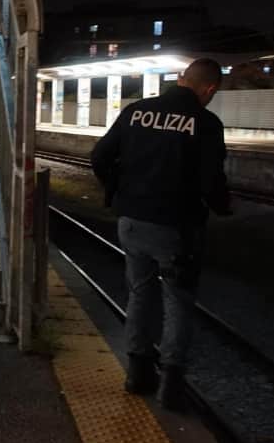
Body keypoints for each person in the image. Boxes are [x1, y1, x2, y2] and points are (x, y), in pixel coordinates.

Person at [90, 58, 233, 411]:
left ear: (181, 79)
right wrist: (223, 207)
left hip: (132, 222)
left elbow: (99, 156)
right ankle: (170, 382)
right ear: (209, 89)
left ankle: (137, 373)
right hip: (176, 229)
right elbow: (211, 181)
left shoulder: (137, 111)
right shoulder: (205, 122)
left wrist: (116, 190)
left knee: (139, 293)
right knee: (178, 301)